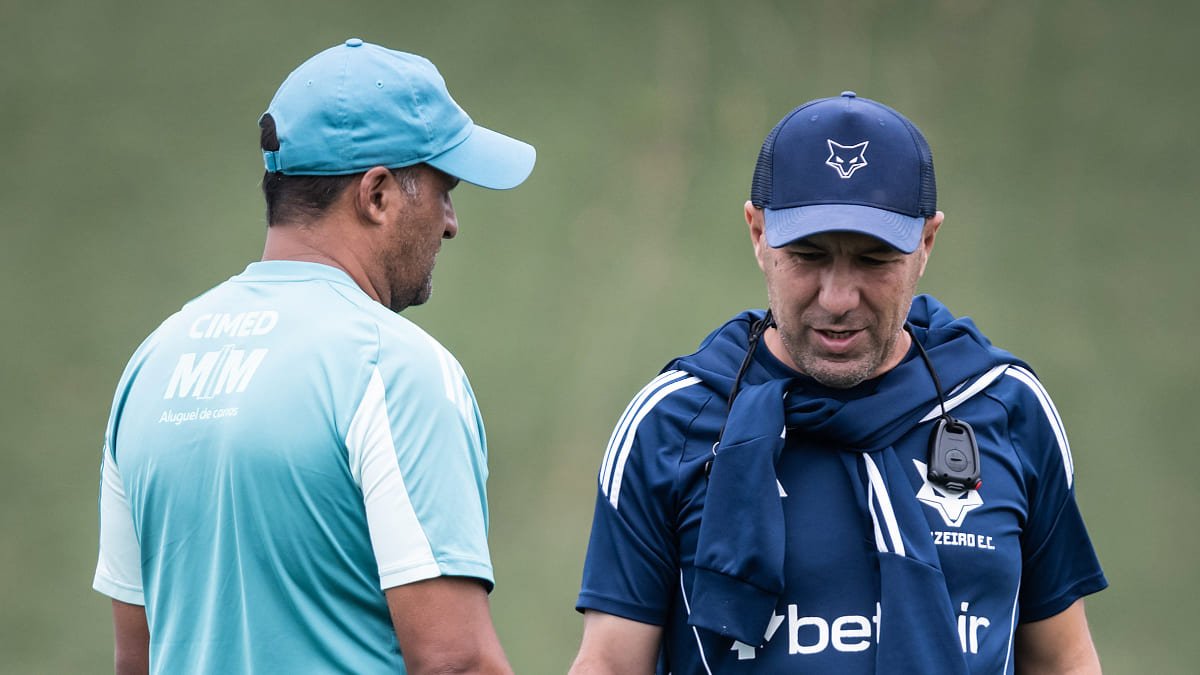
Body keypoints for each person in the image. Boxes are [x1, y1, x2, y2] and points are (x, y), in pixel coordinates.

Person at [570, 91, 1106, 674]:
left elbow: (1063, 660)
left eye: (874, 260)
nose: (838, 298)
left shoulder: (1004, 404)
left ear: (926, 243)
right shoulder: (673, 422)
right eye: (807, 255)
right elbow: (609, 665)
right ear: (757, 233)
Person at [92, 39, 534, 674]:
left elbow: (138, 661)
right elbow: (455, 662)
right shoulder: (395, 369)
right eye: (443, 189)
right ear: (377, 194)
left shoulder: (151, 365)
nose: (450, 222)